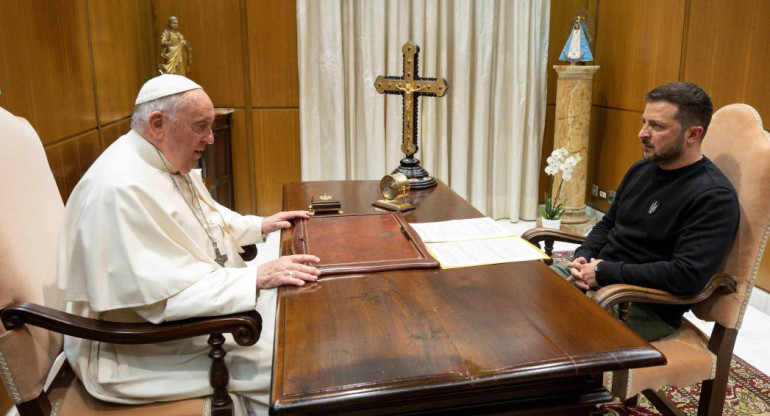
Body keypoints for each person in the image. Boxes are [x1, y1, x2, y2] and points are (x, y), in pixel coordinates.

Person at [58, 74, 320, 416]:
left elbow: (203, 219)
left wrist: (259, 225)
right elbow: (161, 298)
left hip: (185, 323)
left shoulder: (159, 160)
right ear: (157, 124)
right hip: (133, 351)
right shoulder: (119, 190)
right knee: (299, 363)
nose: (210, 139)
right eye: (201, 127)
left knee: (303, 325)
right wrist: (254, 278)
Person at [561, 82, 739, 341]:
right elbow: (608, 224)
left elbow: (686, 275)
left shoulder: (713, 196)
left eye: (657, 126)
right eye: (645, 122)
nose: (642, 133)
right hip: (599, 283)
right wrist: (584, 256)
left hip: (641, 305)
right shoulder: (641, 170)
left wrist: (604, 272)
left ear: (693, 134)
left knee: (549, 326)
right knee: (523, 294)